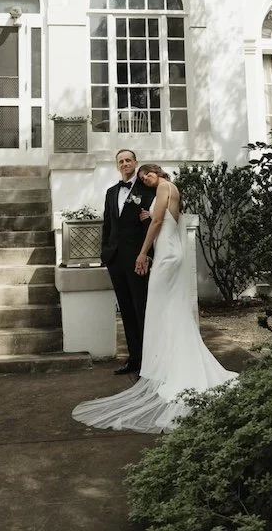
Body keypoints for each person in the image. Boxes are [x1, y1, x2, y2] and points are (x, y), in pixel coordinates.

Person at [73, 163, 238, 434]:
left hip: (167, 254)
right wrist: (147, 217)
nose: (145, 179)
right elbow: (161, 217)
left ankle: (173, 364)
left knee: (161, 309)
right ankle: (170, 359)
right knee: (166, 309)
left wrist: (142, 252)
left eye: (146, 174)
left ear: (157, 172)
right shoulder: (168, 189)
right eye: (142, 177)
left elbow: (160, 221)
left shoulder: (164, 187)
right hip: (168, 251)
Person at [100, 149, 156, 376]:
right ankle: (134, 358)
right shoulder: (111, 192)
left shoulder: (147, 189)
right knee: (125, 309)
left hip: (138, 258)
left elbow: (154, 221)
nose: (125, 164)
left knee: (141, 307)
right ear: (117, 166)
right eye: (121, 161)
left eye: (128, 160)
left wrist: (148, 254)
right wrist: (105, 253)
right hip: (115, 259)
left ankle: (150, 360)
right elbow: (108, 224)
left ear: (135, 163)